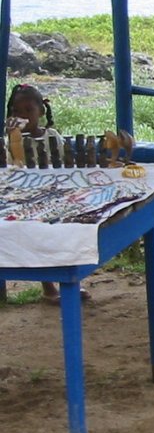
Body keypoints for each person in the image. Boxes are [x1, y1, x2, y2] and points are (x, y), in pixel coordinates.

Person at [5, 83, 90, 302]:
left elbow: (63, 163)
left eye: (28, 110)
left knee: (64, 237)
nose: (22, 116)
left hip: (56, 196)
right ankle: (48, 288)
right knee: (39, 238)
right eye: (16, 111)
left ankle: (70, 282)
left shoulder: (52, 135)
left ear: (41, 112)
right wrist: (12, 139)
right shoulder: (12, 140)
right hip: (26, 198)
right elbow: (11, 167)